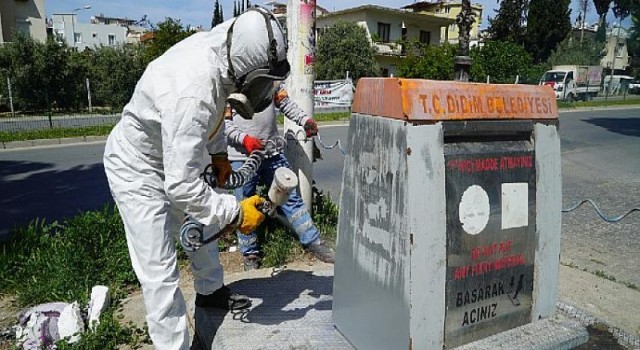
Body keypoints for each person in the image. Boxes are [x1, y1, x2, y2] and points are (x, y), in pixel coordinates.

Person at [103, 7, 289, 350]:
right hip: (139, 166)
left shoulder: (226, 51)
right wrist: (234, 213)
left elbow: (216, 108)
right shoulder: (192, 89)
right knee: (159, 269)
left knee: (201, 227)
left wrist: (218, 153)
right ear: (246, 69)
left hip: (176, 150)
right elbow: (181, 184)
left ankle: (210, 293)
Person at [224, 84, 335, 271]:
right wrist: (245, 140)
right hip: (242, 157)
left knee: (291, 197)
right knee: (244, 205)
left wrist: (305, 120)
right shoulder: (231, 83)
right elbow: (224, 124)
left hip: (272, 152)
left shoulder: (269, 79)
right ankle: (250, 254)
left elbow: (284, 103)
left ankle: (313, 242)